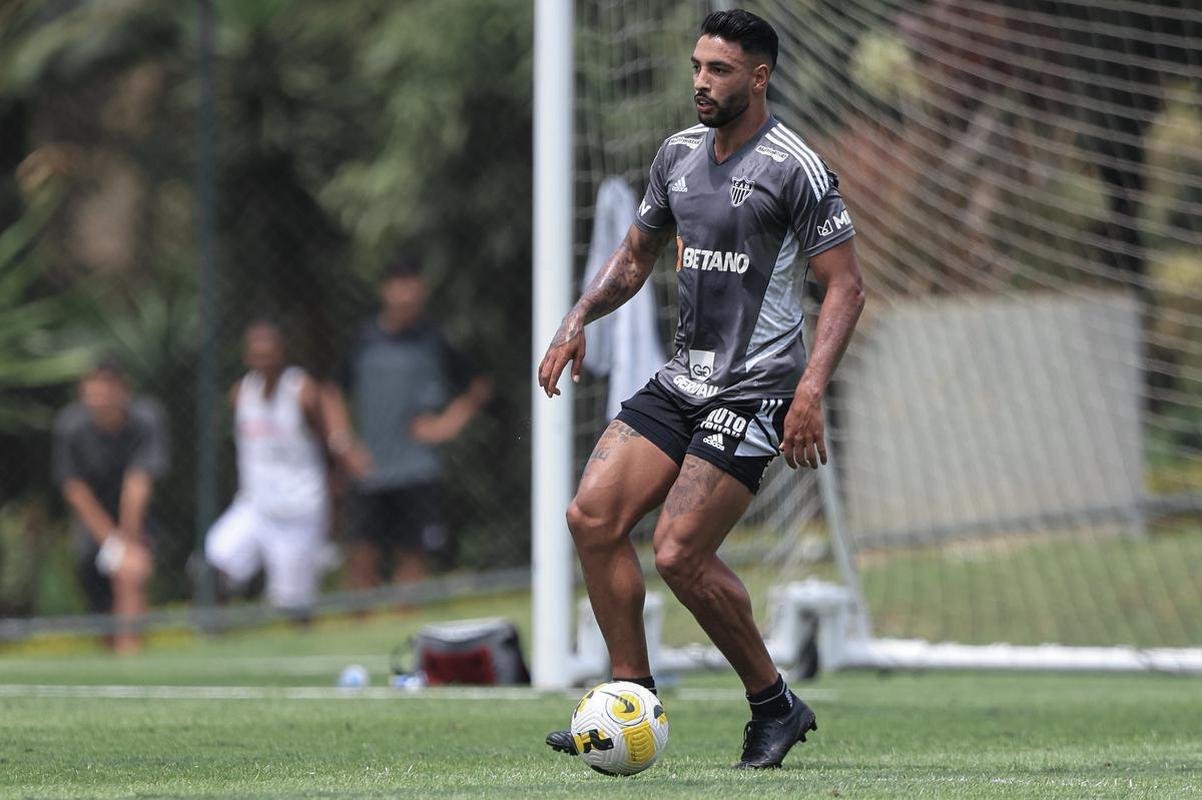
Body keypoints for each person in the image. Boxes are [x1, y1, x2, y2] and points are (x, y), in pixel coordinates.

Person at [538, 10, 865, 769]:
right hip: (683, 380)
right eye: (697, 67)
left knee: (680, 552)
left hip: (755, 391)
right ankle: (632, 700)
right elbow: (634, 256)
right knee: (591, 518)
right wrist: (576, 319)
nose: (701, 83)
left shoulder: (796, 168)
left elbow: (845, 288)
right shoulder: (676, 156)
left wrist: (811, 390)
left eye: (719, 70)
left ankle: (773, 704)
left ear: (759, 77)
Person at [340, 259, 491, 588]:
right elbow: (331, 391)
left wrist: (447, 424)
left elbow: (478, 386)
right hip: (370, 467)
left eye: (413, 285)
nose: (407, 294)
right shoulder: (363, 339)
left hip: (418, 468)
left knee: (413, 556)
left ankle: (404, 624)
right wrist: (344, 443)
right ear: (385, 290)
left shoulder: (436, 339)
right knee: (362, 556)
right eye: (399, 284)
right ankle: (361, 629)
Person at [205, 321, 368, 617]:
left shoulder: (301, 390)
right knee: (212, 563)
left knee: (291, 607)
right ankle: (215, 635)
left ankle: (301, 644)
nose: (264, 360)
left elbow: (327, 441)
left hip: (299, 510)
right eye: (257, 354)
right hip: (255, 506)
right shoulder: (241, 393)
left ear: (282, 354)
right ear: (247, 357)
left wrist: (338, 487)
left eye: (270, 353)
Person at [53, 356, 169, 653]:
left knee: (129, 571)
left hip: (135, 517)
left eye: (106, 387)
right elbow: (75, 490)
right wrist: (111, 540)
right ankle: (110, 651)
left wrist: (127, 542)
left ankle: (130, 652)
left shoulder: (146, 419)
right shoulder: (70, 426)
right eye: (91, 388)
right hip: (92, 521)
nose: (98, 396)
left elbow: (138, 482)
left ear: (123, 390)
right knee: (94, 588)